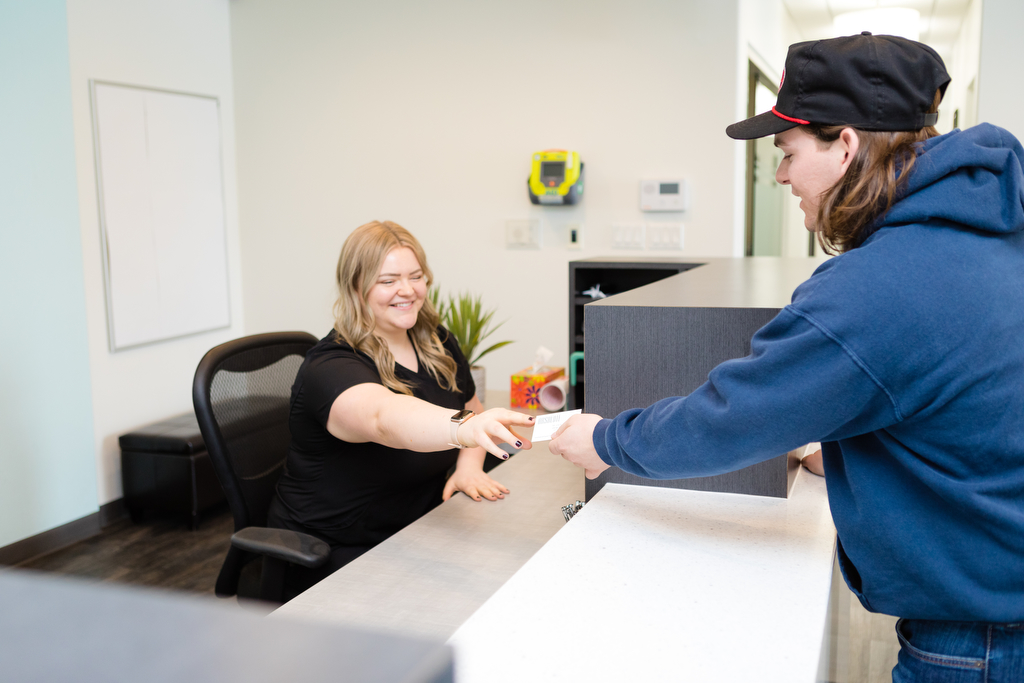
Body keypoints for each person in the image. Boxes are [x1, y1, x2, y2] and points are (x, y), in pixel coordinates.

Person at [549, 33, 1024, 681]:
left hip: (985, 639)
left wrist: (604, 438)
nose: (779, 175)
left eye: (788, 152)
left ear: (846, 146)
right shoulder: (990, 230)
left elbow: (727, 417)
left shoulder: (878, 285)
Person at [268, 220, 533, 589]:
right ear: (356, 287)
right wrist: (465, 429)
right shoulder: (330, 367)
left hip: (416, 529)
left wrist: (469, 464)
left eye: (416, 276)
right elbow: (384, 418)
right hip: (335, 551)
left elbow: (470, 406)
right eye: (388, 280)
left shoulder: (435, 341)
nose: (407, 290)